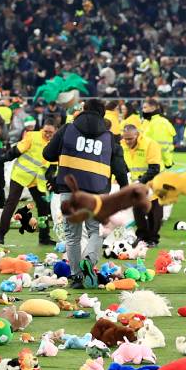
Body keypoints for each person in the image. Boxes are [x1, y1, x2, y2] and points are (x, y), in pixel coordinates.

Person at [44, 97, 130, 288]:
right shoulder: (109, 138)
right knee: (96, 231)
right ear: (103, 114)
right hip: (97, 193)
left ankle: (77, 276)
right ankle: (89, 261)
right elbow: (120, 168)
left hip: (70, 191)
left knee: (72, 236)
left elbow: (47, 154)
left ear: (83, 109)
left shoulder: (68, 129)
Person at [0, 113, 58, 246]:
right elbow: (16, 151)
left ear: (55, 131)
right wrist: (1, 160)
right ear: (42, 129)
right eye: (45, 131)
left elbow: (53, 166)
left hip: (37, 180)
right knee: (11, 203)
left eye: (50, 132)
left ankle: (44, 237)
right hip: (20, 175)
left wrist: (51, 179)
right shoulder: (32, 136)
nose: (47, 134)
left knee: (43, 207)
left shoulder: (55, 143)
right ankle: (0, 233)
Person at [119, 122, 165, 247]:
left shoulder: (150, 144)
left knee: (154, 213)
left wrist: (140, 181)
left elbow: (155, 168)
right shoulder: (122, 145)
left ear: (137, 135)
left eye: (130, 138)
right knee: (138, 211)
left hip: (154, 183)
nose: (127, 141)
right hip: (137, 184)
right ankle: (142, 237)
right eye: (125, 138)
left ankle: (153, 239)